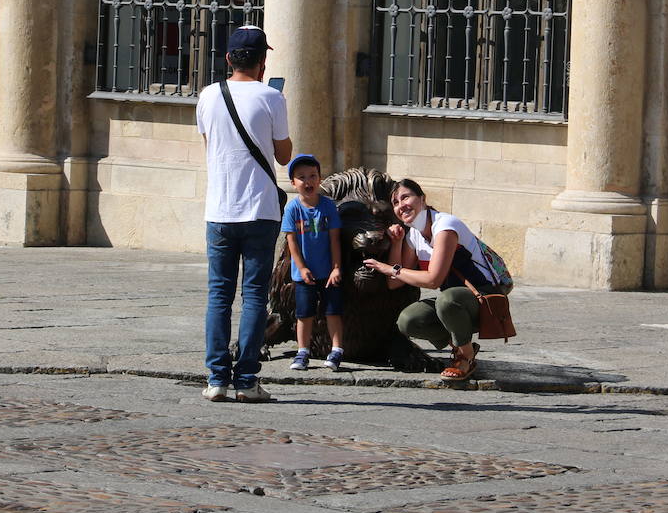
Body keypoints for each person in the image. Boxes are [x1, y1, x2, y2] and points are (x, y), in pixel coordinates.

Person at [195, 25, 292, 403]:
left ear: (227, 58)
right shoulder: (271, 97)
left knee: (218, 295)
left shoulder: (208, 95)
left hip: (220, 208)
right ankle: (247, 380)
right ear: (262, 61)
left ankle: (216, 378)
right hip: (260, 210)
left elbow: (210, 144)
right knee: (253, 296)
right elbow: (284, 156)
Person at [362, 178, 501, 381]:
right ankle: (462, 343)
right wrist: (397, 243)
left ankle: (465, 358)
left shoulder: (445, 226)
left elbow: (433, 280)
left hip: (485, 295)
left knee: (447, 300)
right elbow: (395, 282)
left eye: (405, 197)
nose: (401, 205)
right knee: (408, 320)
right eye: (396, 202)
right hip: (455, 302)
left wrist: (389, 268)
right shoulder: (414, 236)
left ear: (422, 199)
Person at [281, 153, 346, 371]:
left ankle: (337, 350)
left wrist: (336, 268)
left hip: (328, 271)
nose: (308, 181)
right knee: (304, 313)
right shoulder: (292, 209)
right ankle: (303, 351)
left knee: (332, 311)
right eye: (302, 177)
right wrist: (301, 268)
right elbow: (292, 243)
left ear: (320, 178)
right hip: (304, 274)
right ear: (293, 183)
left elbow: (335, 239)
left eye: (312, 176)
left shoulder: (328, 207)